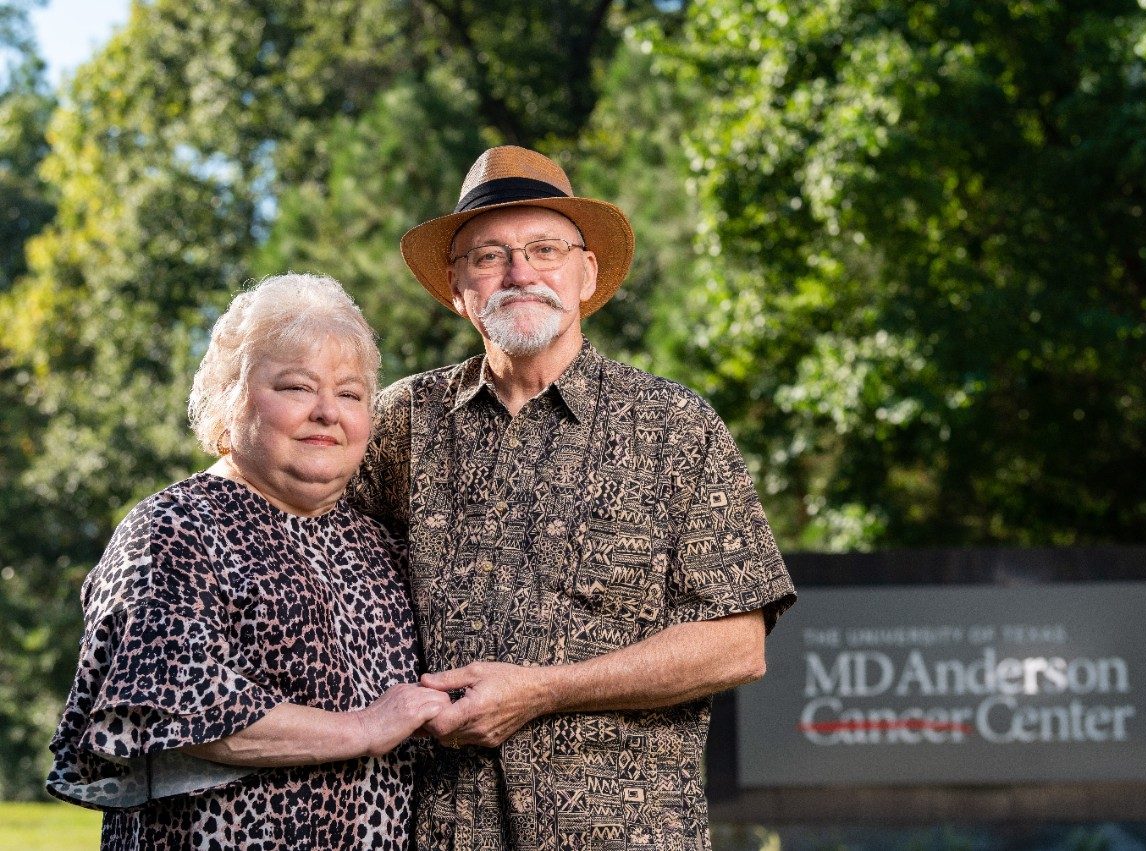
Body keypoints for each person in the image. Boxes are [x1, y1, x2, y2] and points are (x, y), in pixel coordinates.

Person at [349, 146, 797, 849]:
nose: (519, 272)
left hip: (624, 832)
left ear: (586, 273)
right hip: (434, 829)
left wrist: (545, 688)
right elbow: (296, 533)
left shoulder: (674, 425)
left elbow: (737, 645)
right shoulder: (397, 423)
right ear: (456, 284)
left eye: (544, 248)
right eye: (489, 255)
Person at [47, 273, 449, 850]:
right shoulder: (176, 527)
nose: (327, 413)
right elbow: (177, 704)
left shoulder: (378, 544)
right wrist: (363, 728)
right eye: (295, 387)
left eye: (351, 393)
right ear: (229, 397)